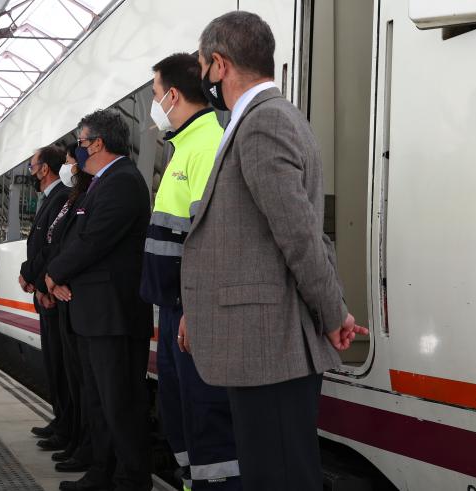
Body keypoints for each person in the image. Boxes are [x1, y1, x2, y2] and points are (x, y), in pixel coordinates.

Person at [182, 12, 368, 490]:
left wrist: (332, 315)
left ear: (219, 65)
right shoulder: (273, 119)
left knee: (278, 477)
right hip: (266, 344)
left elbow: (301, 235)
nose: (204, 76)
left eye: (204, 65)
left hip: (270, 345)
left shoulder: (262, 125)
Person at [140, 53, 240, 490]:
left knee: (207, 420)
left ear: (174, 95)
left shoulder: (206, 147)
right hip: (174, 309)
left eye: (157, 94)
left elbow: (217, 241)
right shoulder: (183, 147)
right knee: (182, 416)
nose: (155, 103)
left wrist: (197, 311)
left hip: (193, 313)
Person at [46, 110, 153, 491]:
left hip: (114, 315)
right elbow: (79, 238)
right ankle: (101, 472)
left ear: (98, 144)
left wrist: (53, 273)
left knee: (119, 402)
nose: (77, 150)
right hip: (96, 313)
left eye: (81, 142)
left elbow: (94, 240)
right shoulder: (101, 184)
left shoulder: (122, 182)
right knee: (99, 399)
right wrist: (57, 274)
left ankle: (130, 478)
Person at [42, 143, 93, 474]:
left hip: (78, 299)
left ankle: (84, 446)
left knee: (86, 387)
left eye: (73, 160)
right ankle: (75, 439)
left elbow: (85, 243)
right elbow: (49, 240)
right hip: (62, 295)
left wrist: (53, 276)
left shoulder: (88, 194)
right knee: (72, 379)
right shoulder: (75, 197)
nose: (69, 165)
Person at [18, 145, 72, 453]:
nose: (29, 171)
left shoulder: (61, 197)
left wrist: (38, 280)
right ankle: (60, 419)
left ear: (44, 169)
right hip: (44, 291)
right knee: (53, 362)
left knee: (61, 365)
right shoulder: (50, 198)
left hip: (53, 295)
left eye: (32, 165)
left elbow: (53, 247)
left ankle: (66, 426)